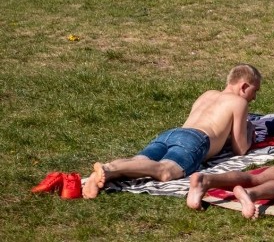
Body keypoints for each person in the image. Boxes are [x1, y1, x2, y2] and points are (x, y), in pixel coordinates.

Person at [81, 64, 262, 199]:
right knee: (165, 171)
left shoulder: (208, 94)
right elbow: (240, 148)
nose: (254, 97)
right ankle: (109, 168)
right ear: (244, 86)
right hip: (196, 139)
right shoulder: (239, 102)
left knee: (139, 161)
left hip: (172, 133)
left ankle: (107, 173)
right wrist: (249, 130)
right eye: (255, 91)